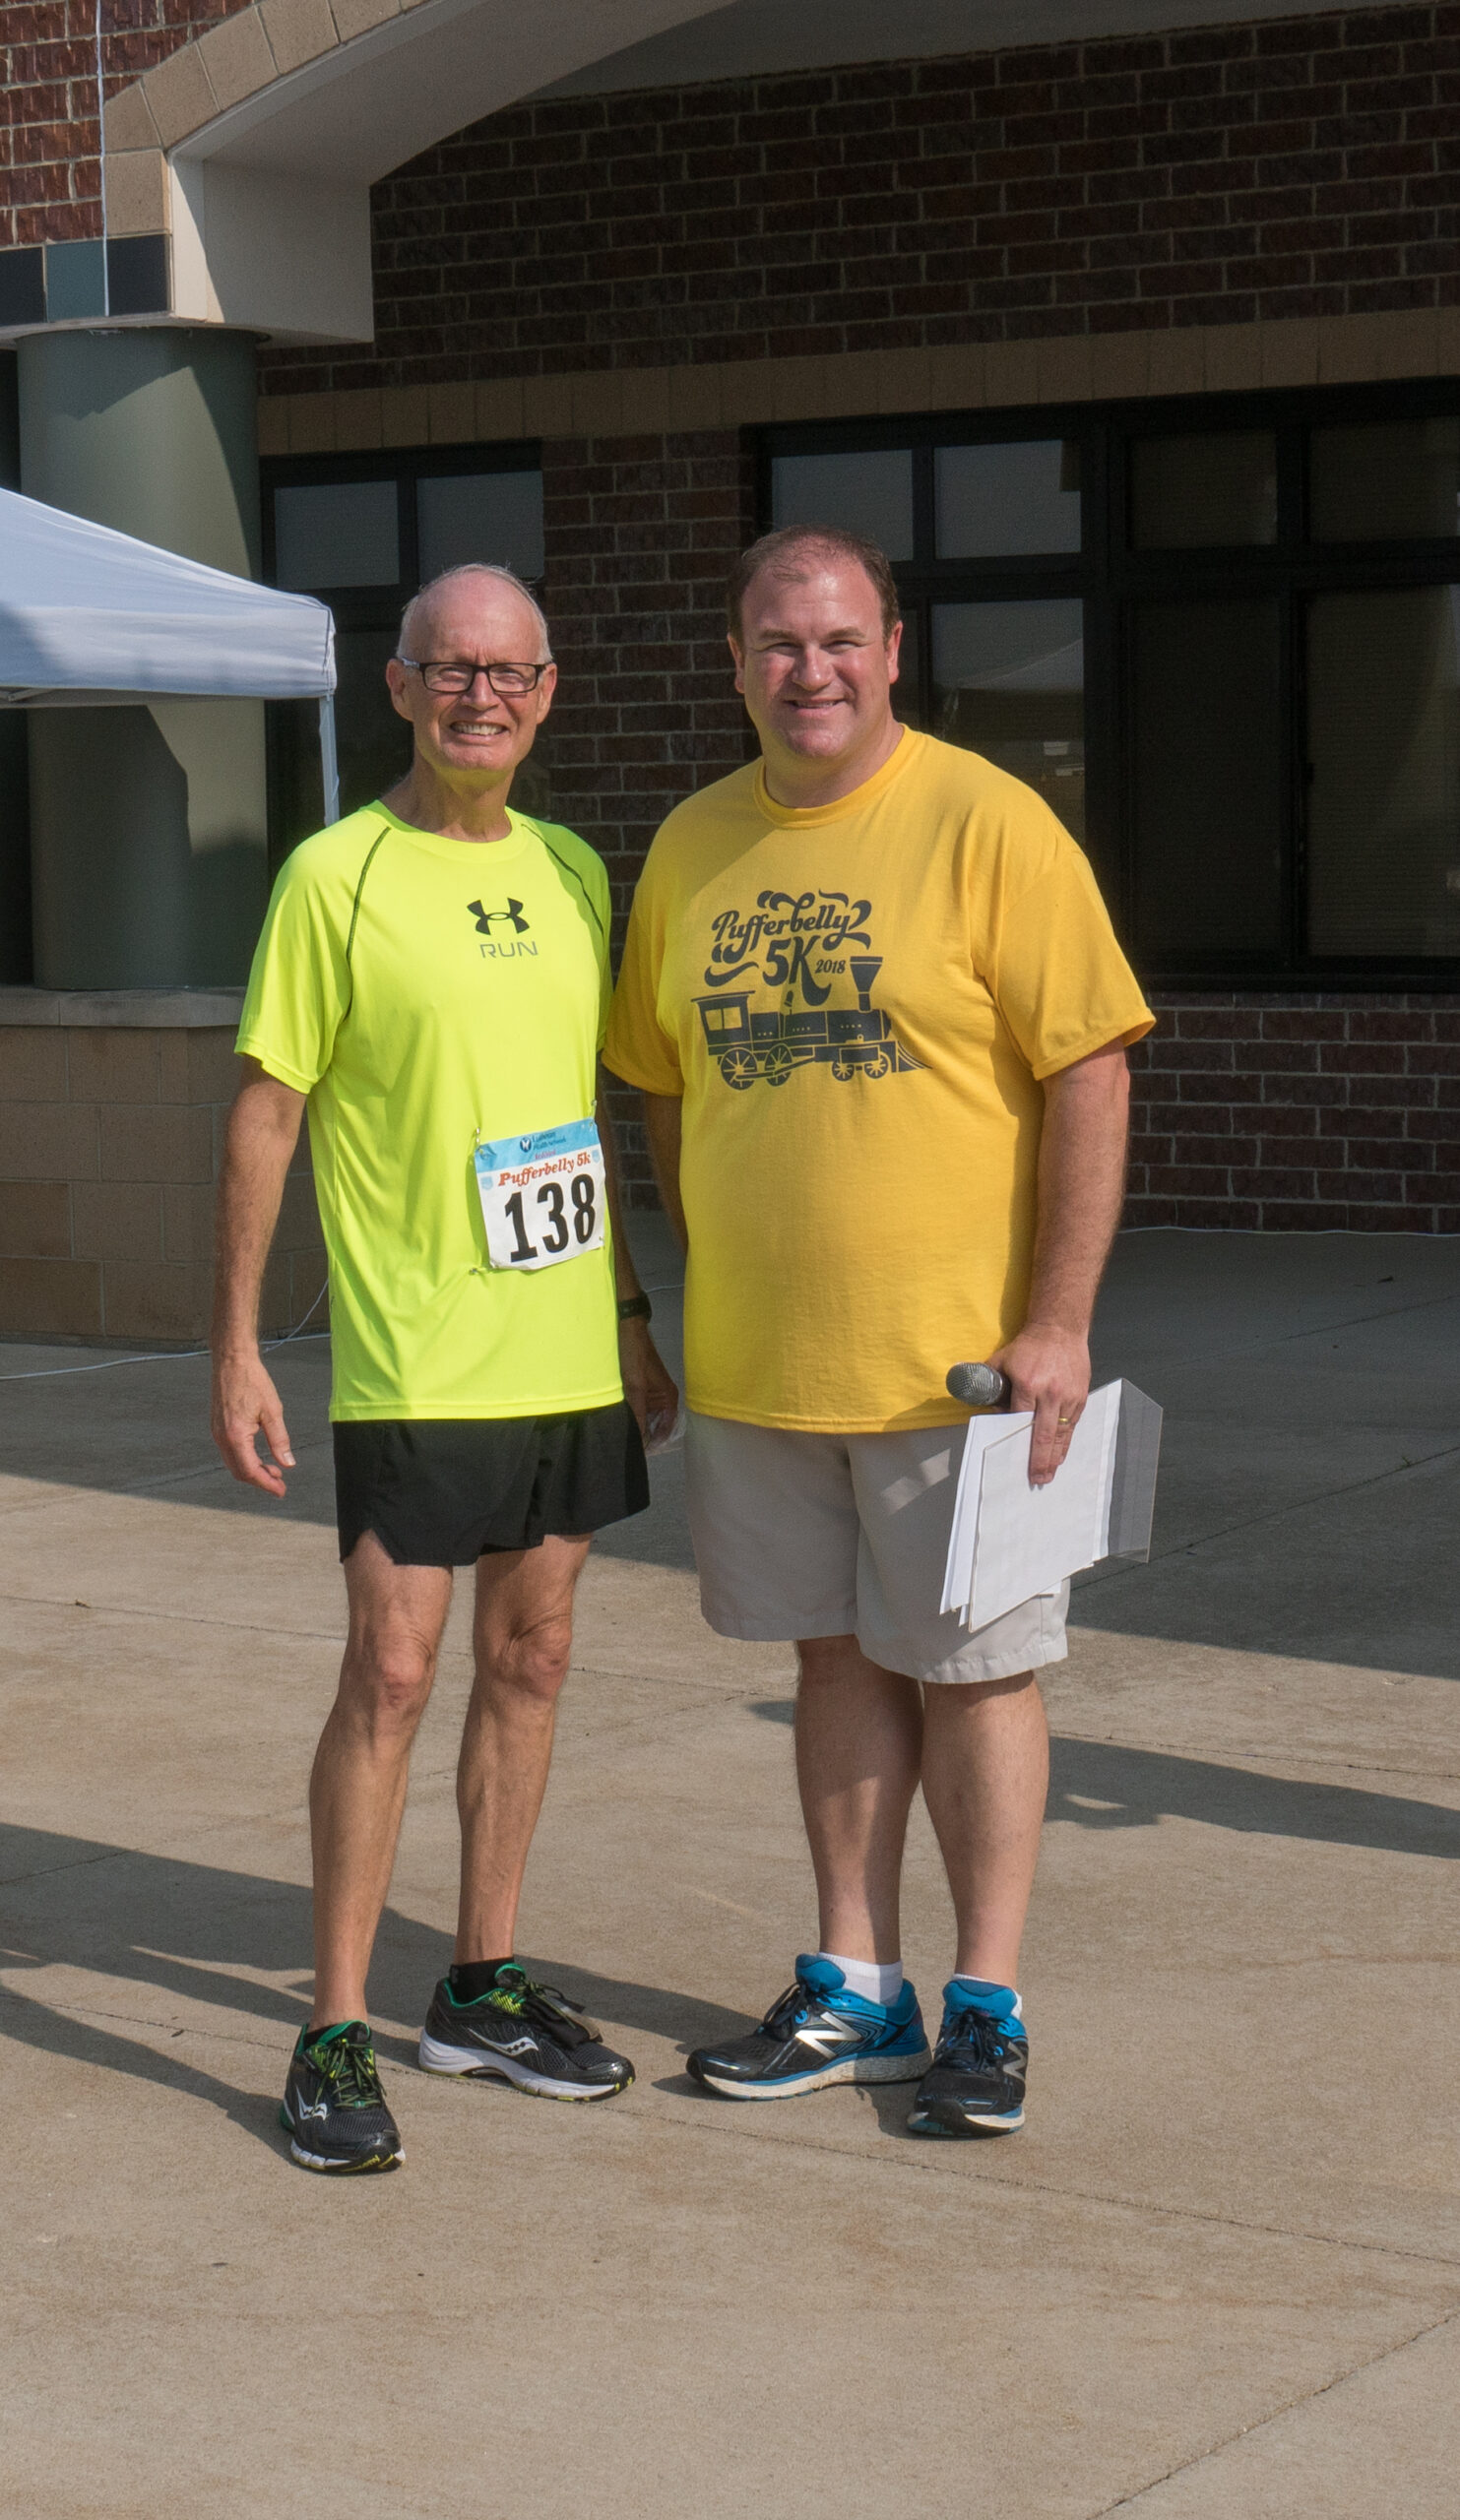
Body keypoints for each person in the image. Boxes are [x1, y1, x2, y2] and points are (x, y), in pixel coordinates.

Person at [603, 525, 1151, 2137]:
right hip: (768, 1366)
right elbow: (660, 1082)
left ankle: (987, 2004)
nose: (812, 670)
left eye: (842, 639)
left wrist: (1059, 1319)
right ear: (735, 661)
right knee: (832, 1659)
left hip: (962, 1374)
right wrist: (700, 1273)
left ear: (895, 650)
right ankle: (858, 1984)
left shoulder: (989, 821)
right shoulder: (693, 844)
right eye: (780, 643)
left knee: (980, 1674)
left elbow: (1092, 1067)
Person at [212, 561, 677, 2174]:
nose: (484, 695)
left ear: (549, 696)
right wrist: (236, 1345)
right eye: (453, 668)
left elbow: (578, 1115)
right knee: (394, 1676)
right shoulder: (333, 876)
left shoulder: (573, 870)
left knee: (533, 1659)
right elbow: (268, 1109)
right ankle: (333, 2028)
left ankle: (480, 1987)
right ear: (400, 687)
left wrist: (630, 1316)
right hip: (412, 1359)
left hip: (563, 1351)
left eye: (512, 671)